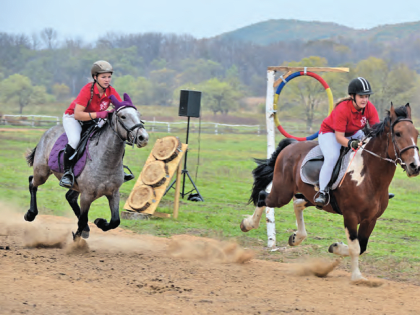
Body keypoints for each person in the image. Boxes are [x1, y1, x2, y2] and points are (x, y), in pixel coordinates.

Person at [60, 60, 134, 188]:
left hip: (92, 119)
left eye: (109, 76)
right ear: (95, 77)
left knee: (114, 138)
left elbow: (120, 107)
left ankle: (119, 169)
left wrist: (128, 109)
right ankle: (68, 173)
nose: (107, 80)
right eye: (103, 77)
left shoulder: (110, 90)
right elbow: (78, 114)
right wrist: (99, 115)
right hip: (74, 118)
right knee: (75, 140)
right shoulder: (87, 90)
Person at [314, 77, 380, 207]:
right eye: (361, 96)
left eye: (367, 96)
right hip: (330, 133)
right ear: (352, 96)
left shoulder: (369, 108)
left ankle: (376, 189)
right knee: (332, 157)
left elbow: (376, 130)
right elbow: (339, 137)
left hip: (353, 132)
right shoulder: (342, 109)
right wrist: (351, 144)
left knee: (370, 152)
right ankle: (322, 192)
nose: (365, 100)